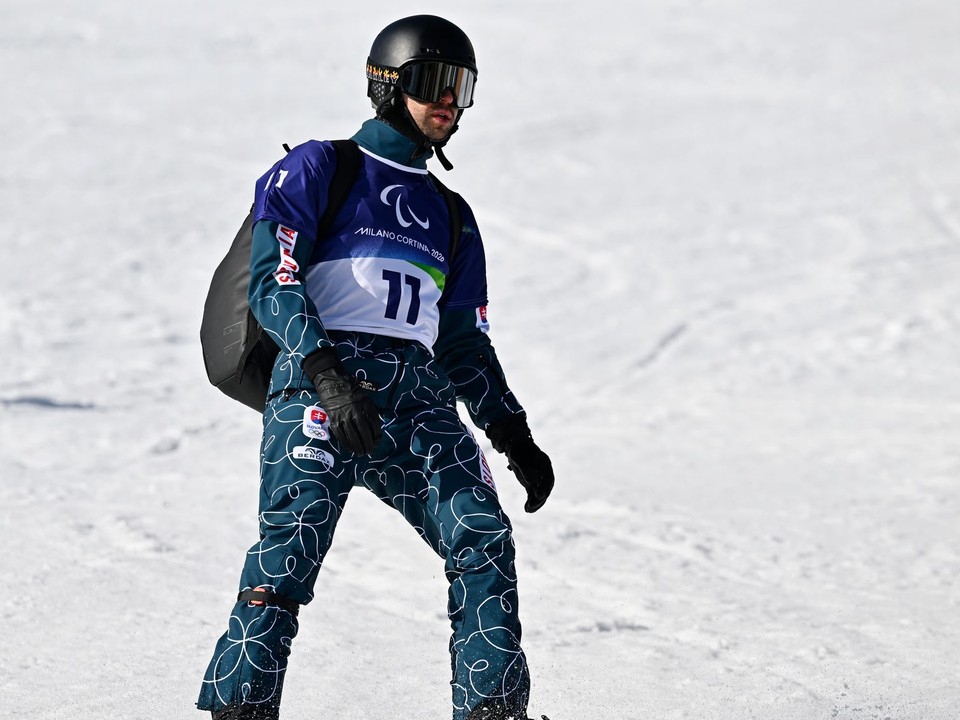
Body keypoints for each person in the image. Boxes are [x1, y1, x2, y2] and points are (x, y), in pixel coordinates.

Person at [197, 15, 554, 720]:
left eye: (462, 86)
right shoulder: (320, 168)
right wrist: (327, 375)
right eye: (434, 81)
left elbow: (462, 345)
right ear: (388, 84)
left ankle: (492, 710)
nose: (449, 100)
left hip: (416, 397)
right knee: (289, 551)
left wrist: (512, 434)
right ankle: (241, 708)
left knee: (482, 536)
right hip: (321, 381)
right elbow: (275, 282)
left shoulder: (451, 215)